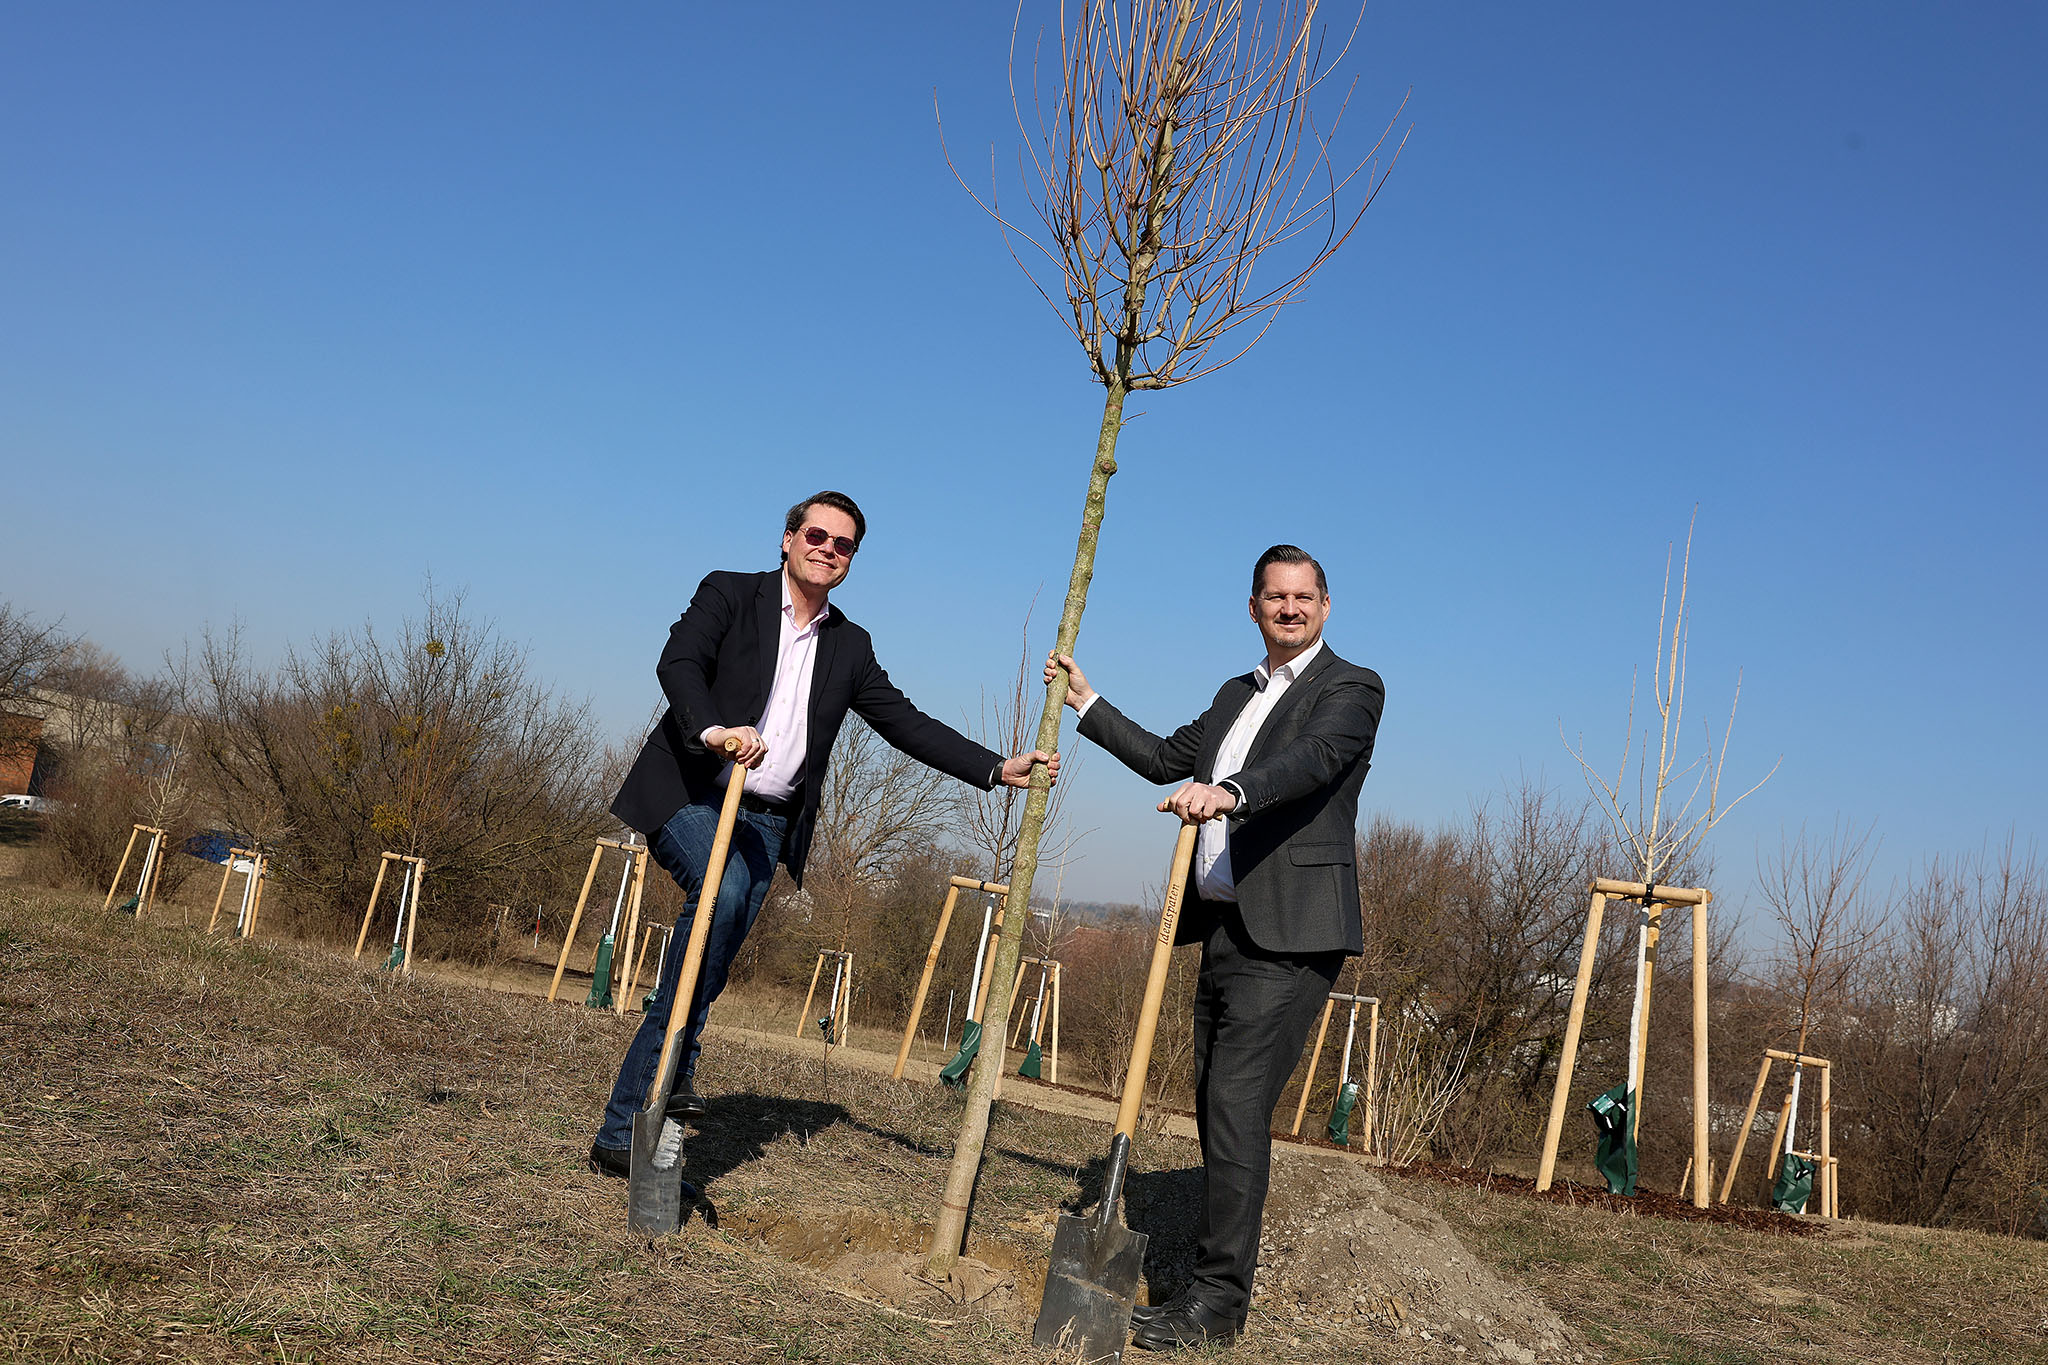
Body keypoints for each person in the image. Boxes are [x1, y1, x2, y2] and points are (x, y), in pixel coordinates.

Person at [588, 491, 1058, 1178]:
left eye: (843, 545)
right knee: (720, 897)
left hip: (768, 822)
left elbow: (905, 721)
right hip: (694, 793)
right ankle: (653, 1094)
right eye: (816, 534)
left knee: (707, 962)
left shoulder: (849, 646)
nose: (827, 549)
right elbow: (678, 662)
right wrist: (715, 729)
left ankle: (633, 1121)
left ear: (850, 561)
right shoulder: (729, 594)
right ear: (786, 538)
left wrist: (994, 765)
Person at [1045, 544, 1383, 1351]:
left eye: (1304, 597)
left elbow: (1310, 764)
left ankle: (1218, 1305)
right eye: (1275, 597)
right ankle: (1207, 1286)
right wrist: (1089, 703)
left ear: (1326, 606)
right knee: (1217, 1106)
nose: (1290, 609)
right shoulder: (1237, 693)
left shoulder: (1352, 688)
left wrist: (1230, 792)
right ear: (1254, 606)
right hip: (1225, 928)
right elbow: (1169, 758)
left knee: (1234, 1105)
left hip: (1293, 933)